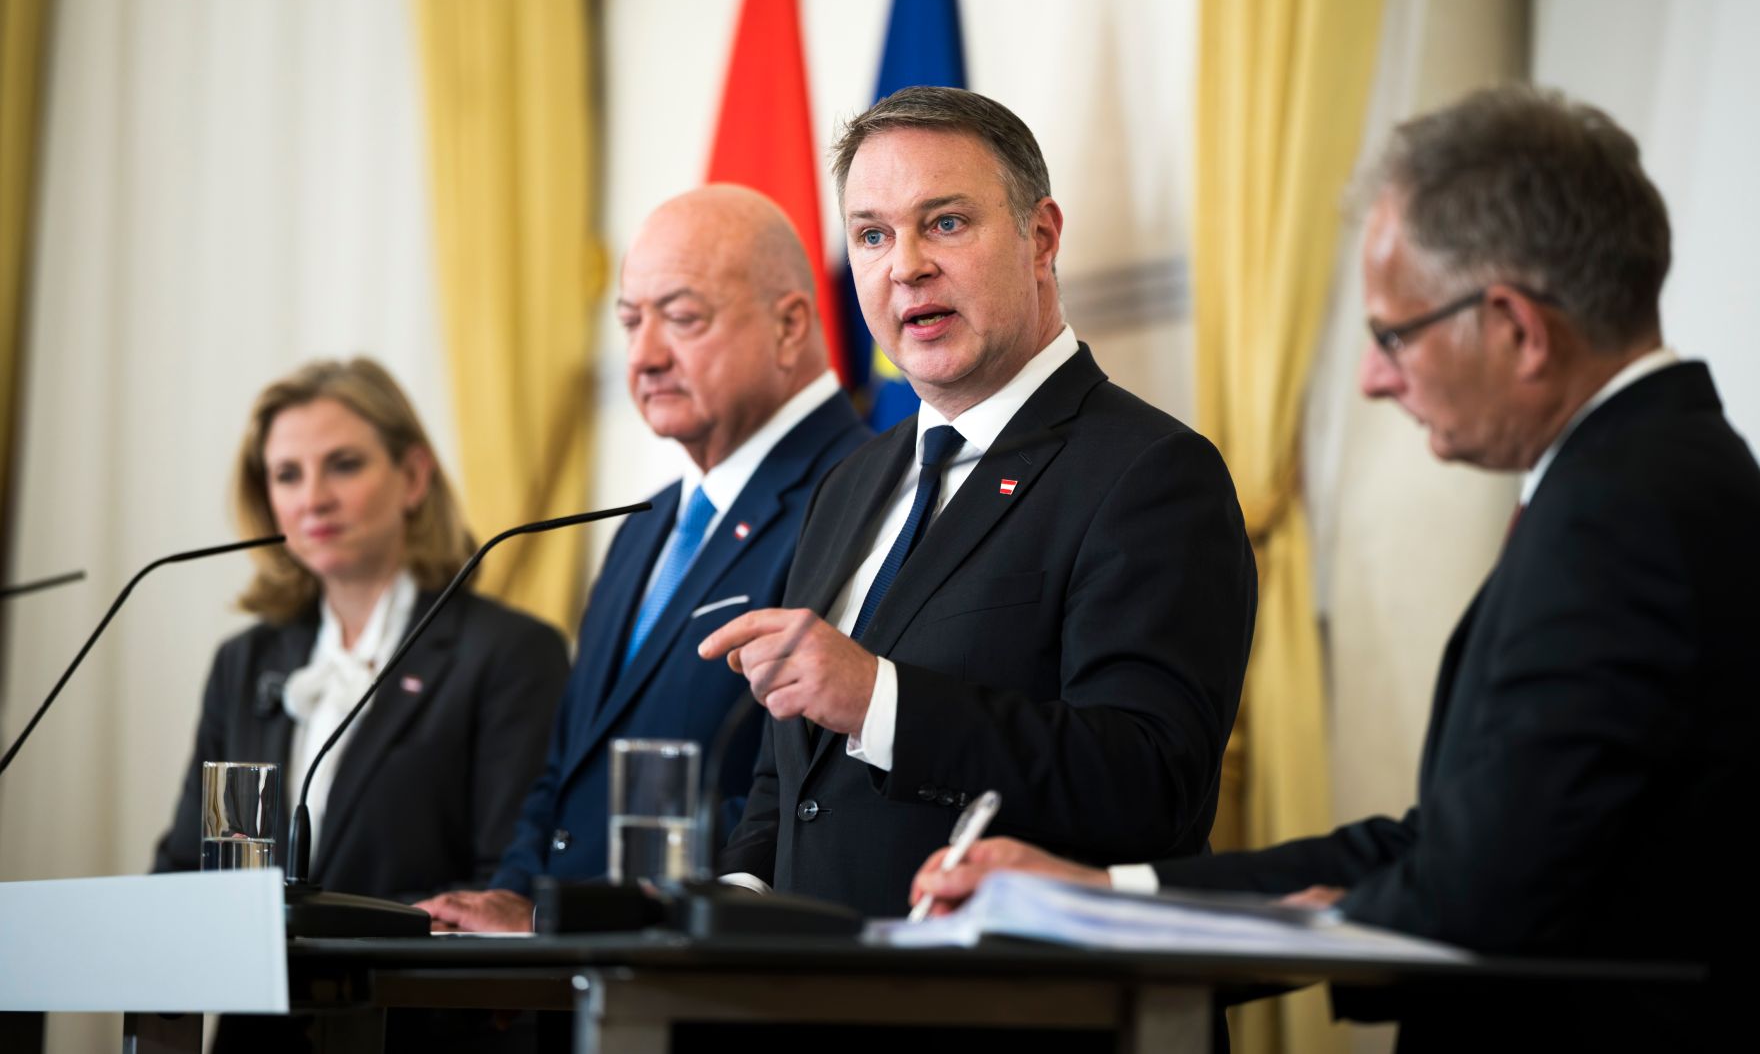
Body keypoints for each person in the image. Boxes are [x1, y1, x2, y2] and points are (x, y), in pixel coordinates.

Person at [911, 86, 1757, 1047]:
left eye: (1395, 334)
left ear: (1519, 330)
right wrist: (1108, 890)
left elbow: (1480, 889)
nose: (1374, 376)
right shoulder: (1655, 479)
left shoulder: (1624, 515)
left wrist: (1247, 920)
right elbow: (1445, 842)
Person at [701, 86, 1257, 920]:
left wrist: (880, 699)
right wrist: (737, 896)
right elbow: (793, 778)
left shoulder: (1152, 473)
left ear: (1041, 237)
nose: (906, 264)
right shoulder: (850, 484)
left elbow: (1152, 781)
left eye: (947, 222)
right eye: (873, 234)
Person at [419, 184, 869, 932]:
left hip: (707, 972)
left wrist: (573, 921)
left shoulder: (857, 495)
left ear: (791, 324)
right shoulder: (646, 523)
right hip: (565, 975)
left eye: (682, 318)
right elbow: (566, 764)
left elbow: (804, 787)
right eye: (631, 321)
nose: (645, 355)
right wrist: (512, 901)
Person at [154, 356, 569, 897]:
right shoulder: (244, 663)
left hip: (413, 982)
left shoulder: (510, 654)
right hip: (248, 982)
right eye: (287, 475)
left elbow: (504, 891)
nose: (313, 499)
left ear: (414, 477)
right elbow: (188, 872)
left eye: (344, 464)